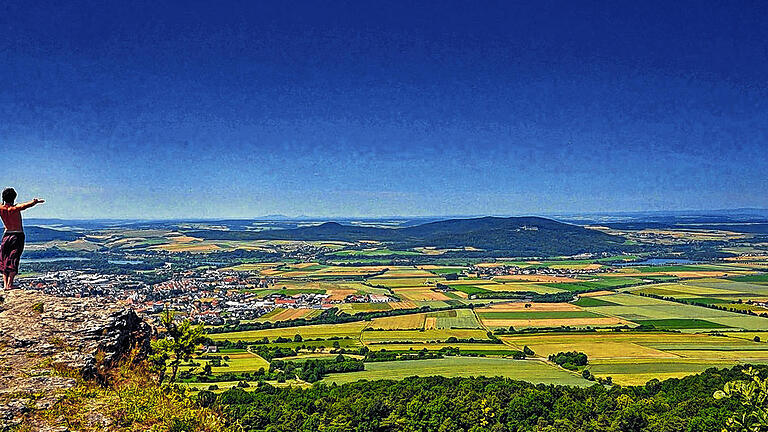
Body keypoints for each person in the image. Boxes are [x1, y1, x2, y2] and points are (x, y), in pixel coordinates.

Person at [0, 188, 44, 290]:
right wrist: (35, 202)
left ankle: (5, 284)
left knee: (4, 259)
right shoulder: (14, 209)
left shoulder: (1, 208)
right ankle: (10, 284)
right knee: (13, 259)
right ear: (14, 197)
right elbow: (24, 206)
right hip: (17, 236)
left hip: (6, 236)